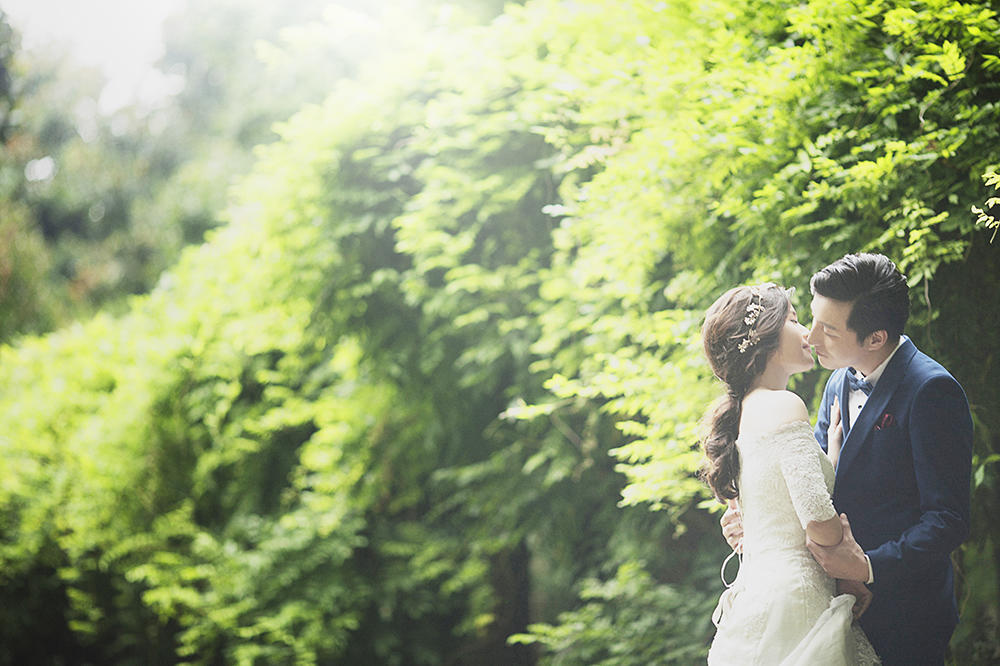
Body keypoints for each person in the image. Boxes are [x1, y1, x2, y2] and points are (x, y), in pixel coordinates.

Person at [721, 253, 973, 665]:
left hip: (905, 612)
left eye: (829, 330)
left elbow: (947, 520)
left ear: (875, 338)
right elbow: (816, 488)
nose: (811, 338)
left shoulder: (932, 392)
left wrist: (868, 568)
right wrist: (756, 520)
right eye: (811, 319)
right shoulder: (836, 381)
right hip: (828, 606)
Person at [701, 282, 880, 665]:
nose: (807, 333)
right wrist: (843, 540)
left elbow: (779, 501)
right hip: (796, 596)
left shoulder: (746, 412)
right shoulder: (784, 405)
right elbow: (816, 516)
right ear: (765, 336)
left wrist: (830, 458)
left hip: (760, 592)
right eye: (795, 320)